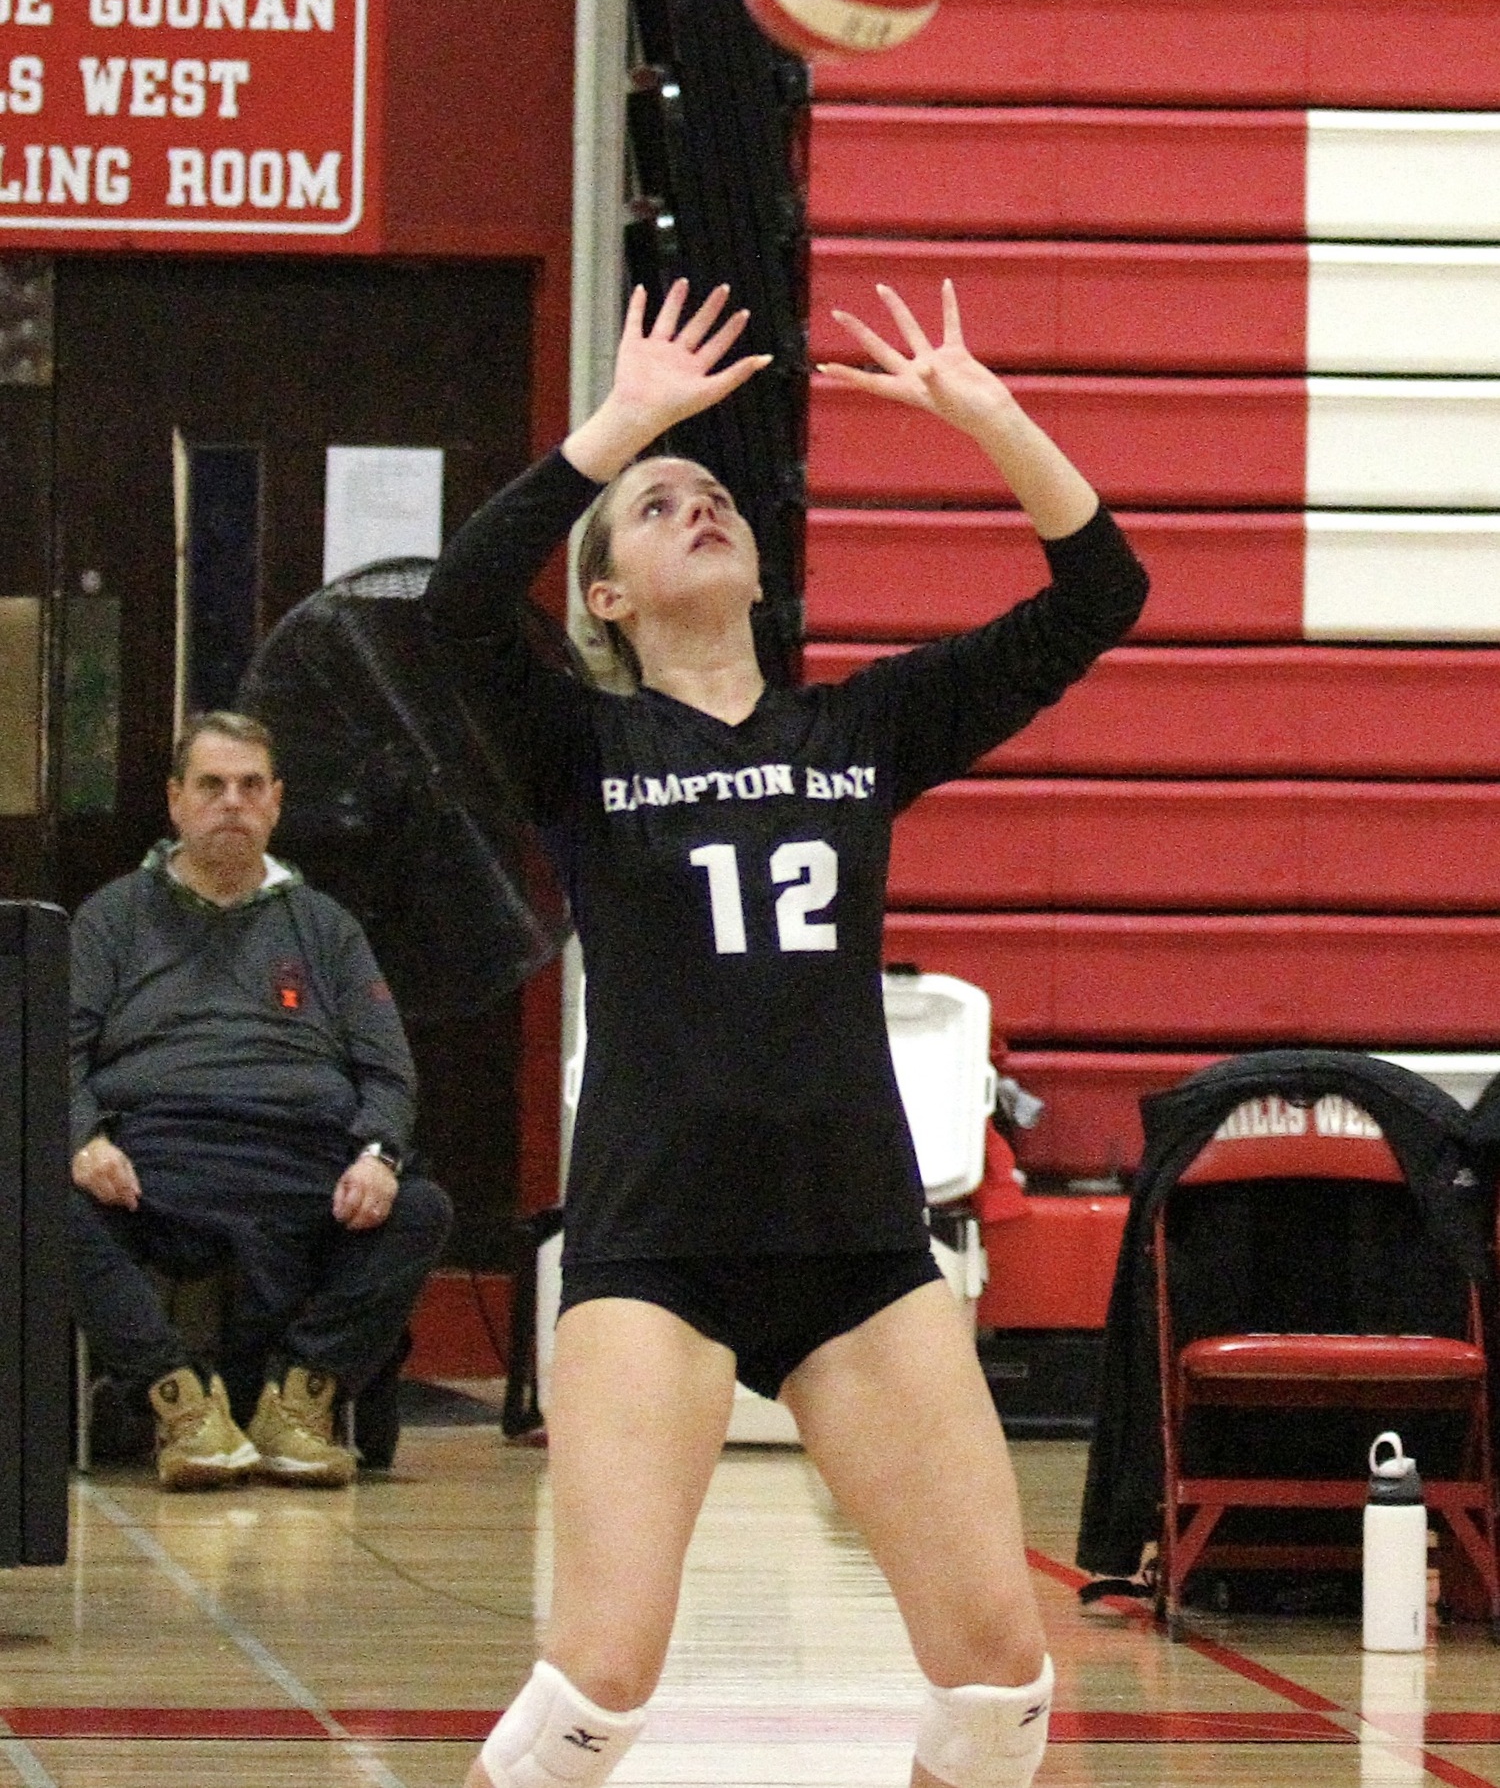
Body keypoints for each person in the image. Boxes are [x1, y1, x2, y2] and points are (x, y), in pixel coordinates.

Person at [423, 277, 1150, 1788]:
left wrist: (990, 414)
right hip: (656, 1248)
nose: (694, 501)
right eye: (652, 504)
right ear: (605, 599)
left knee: (1002, 1685)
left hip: (857, 1249)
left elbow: (1103, 595)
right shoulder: (582, 744)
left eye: (710, 491)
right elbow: (454, 607)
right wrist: (621, 423)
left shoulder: (859, 732)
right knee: (596, 1685)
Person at [68, 709, 452, 1490]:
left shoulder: (326, 926)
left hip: (304, 1161)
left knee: (419, 1208)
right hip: (154, 1162)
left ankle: (299, 1401)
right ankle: (178, 1403)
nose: (232, 802)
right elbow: (54, 1054)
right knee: (38, 1196)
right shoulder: (113, 916)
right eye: (211, 785)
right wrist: (84, 1138)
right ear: (176, 800)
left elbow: (388, 1072)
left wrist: (379, 1153)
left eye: (250, 786)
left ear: (277, 801)